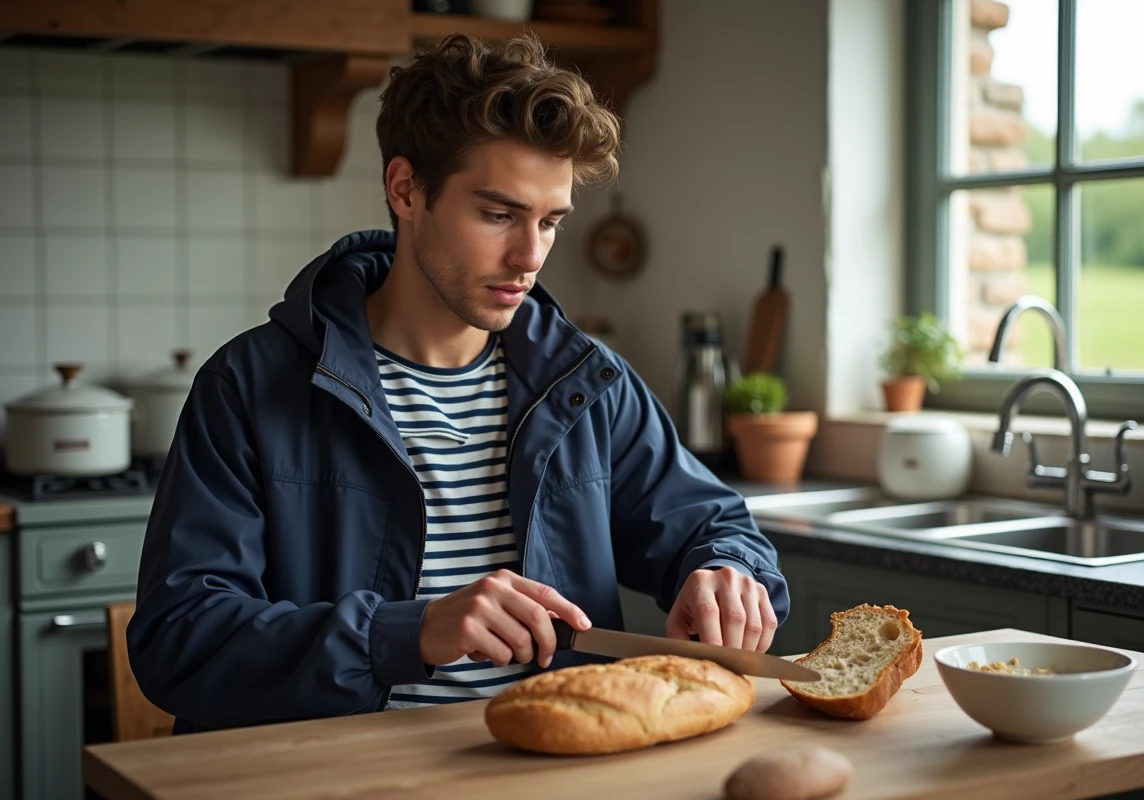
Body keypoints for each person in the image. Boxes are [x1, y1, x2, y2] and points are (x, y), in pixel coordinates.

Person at [128, 31, 789, 733]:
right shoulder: (248, 385)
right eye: (498, 215)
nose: (530, 256)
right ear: (406, 190)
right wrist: (405, 632)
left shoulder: (586, 384)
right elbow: (181, 641)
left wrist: (727, 570)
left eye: (550, 222)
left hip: (547, 762)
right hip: (331, 770)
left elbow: (713, 524)